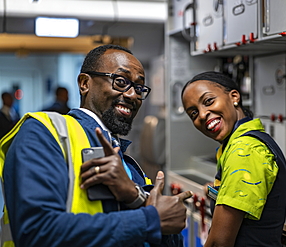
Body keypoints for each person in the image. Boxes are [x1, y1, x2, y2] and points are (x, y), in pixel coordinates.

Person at [0, 44, 192, 247]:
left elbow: (167, 232)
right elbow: (37, 232)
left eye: (139, 88)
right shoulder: (45, 132)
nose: (132, 95)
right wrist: (149, 220)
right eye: (120, 82)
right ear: (84, 83)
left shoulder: (128, 164)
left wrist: (135, 197)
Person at [181, 71, 286, 247]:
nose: (202, 115)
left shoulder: (245, 150)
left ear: (234, 97)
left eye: (208, 101)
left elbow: (219, 242)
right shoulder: (237, 144)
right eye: (193, 113)